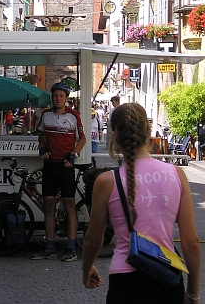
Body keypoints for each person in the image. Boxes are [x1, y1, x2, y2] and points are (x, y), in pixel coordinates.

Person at [82, 103, 200, 304]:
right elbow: (190, 244)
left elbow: (93, 240)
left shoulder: (106, 182)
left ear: (115, 138)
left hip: (125, 280)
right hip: (167, 277)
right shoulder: (176, 174)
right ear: (148, 132)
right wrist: (193, 293)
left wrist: (87, 270)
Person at [31, 82, 86, 262]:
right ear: (52, 97)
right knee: (48, 206)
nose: (58, 98)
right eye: (55, 95)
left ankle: (71, 247)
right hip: (50, 166)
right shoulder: (46, 115)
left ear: (66, 98)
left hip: (65, 166)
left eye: (61, 96)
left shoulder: (73, 116)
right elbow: (41, 135)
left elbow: (83, 138)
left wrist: (74, 154)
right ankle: (50, 246)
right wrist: (41, 148)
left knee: (69, 206)